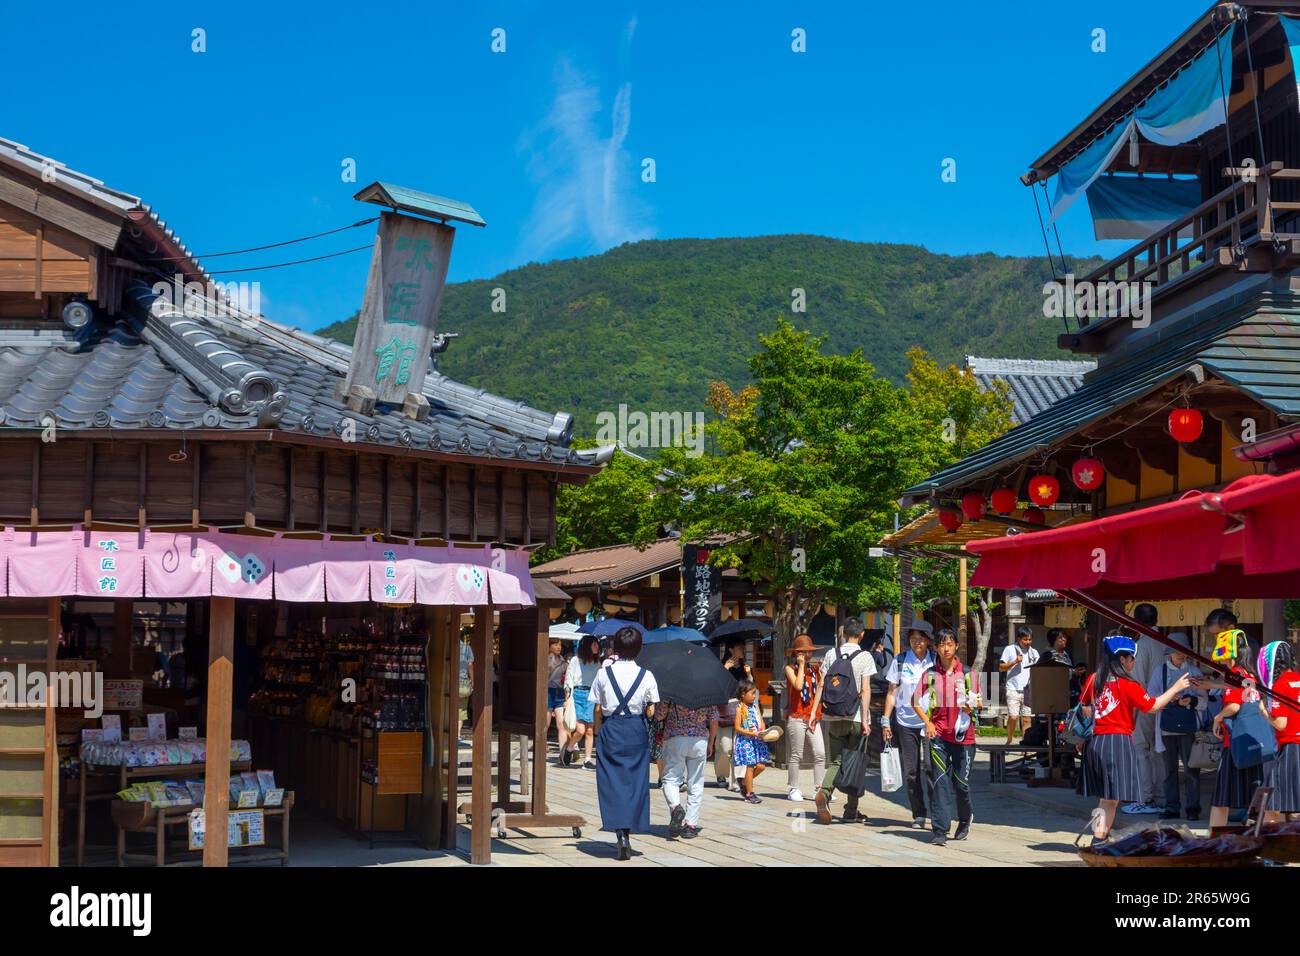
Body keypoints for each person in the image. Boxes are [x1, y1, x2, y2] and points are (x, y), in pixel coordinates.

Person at [1078, 634, 1191, 841]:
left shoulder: (1093, 679)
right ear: (1122, 660)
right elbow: (1152, 706)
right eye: (1132, 658)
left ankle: (1098, 838)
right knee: (1111, 800)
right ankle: (1099, 840)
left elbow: (1084, 706)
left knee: (1104, 799)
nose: (1134, 662)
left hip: (1094, 742)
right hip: (1117, 741)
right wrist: (1175, 688)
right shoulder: (1127, 684)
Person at [590, 626, 660, 860]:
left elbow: (597, 707)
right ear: (639, 649)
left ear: (615, 648)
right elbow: (651, 710)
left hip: (611, 728)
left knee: (610, 779)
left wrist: (598, 732)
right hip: (635, 729)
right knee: (636, 781)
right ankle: (628, 831)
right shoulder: (646, 675)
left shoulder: (603, 673)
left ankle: (618, 830)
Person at [1198, 624, 1267, 830]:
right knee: (1252, 798)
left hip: (1234, 744)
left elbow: (1235, 705)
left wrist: (1218, 717)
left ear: (1232, 657)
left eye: (1224, 660)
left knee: (1221, 798)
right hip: (1253, 743)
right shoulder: (1250, 675)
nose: (1223, 664)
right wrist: (1213, 686)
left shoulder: (1237, 674)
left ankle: (1214, 841)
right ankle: (1256, 839)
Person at [915, 626, 979, 846]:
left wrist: (973, 706)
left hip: (964, 738)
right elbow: (914, 701)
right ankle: (940, 830)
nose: (946, 648)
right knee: (940, 783)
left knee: (961, 784)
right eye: (942, 644)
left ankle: (964, 819)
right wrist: (928, 722)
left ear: (956, 646)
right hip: (939, 737)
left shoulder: (969, 673)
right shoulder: (930, 674)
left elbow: (979, 703)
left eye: (949, 644)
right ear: (937, 647)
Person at [811, 616, 876, 824]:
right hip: (855, 716)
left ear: (843, 633)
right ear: (862, 634)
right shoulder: (865, 656)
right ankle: (851, 810)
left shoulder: (831, 653)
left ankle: (825, 791)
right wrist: (866, 719)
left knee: (837, 760)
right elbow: (865, 690)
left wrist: (814, 713)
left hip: (833, 715)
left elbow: (821, 685)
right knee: (855, 763)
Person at [1145, 633, 1206, 821]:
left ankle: (1193, 807)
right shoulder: (1159, 671)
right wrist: (1172, 698)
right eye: (1177, 650)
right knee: (1170, 769)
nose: (1181, 654)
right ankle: (1172, 806)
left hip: (1189, 726)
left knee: (1192, 768)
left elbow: (1204, 702)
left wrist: (1191, 700)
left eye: (1183, 651)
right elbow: (1151, 699)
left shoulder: (1194, 671)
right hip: (1166, 727)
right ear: (1169, 652)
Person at [882, 621, 936, 829]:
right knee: (911, 772)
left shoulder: (935, 660)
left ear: (928, 640)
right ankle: (919, 813)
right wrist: (886, 721)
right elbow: (891, 692)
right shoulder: (900, 661)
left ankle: (936, 811)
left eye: (920, 638)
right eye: (913, 638)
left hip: (929, 722)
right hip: (905, 722)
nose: (917, 642)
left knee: (932, 768)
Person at [1126, 603, 1164, 815]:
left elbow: (1137, 680)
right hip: (1169, 702)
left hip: (1147, 702)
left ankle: (1145, 797)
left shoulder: (1142, 644)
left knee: (1141, 749)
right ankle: (1161, 795)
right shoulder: (1164, 641)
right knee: (1160, 751)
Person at [660, 700, 718, 839]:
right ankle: (690, 825)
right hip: (699, 739)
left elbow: (659, 715)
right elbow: (714, 720)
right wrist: (711, 743)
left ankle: (675, 808)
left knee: (670, 778)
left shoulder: (672, 691)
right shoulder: (707, 694)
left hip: (676, 738)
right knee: (696, 782)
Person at [783, 634, 826, 802]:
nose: (808, 655)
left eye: (809, 652)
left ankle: (819, 789)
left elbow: (821, 689)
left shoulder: (815, 670)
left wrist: (822, 671)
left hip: (812, 716)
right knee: (796, 755)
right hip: (796, 716)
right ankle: (793, 788)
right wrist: (801, 666)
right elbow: (799, 686)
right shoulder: (790, 669)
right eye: (804, 652)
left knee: (820, 753)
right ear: (797, 653)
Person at [1262, 641, 1300, 821]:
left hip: (1290, 748)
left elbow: (1281, 724)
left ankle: (1279, 843)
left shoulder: (1279, 686)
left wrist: (1264, 712)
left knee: (1276, 802)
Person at [562, 635, 602, 769]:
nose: (597, 647)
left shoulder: (597, 663)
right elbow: (569, 679)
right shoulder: (575, 660)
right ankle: (568, 749)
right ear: (587, 646)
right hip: (577, 694)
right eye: (594, 644)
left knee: (590, 730)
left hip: (591, 696)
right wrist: (567, 699)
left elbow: (599, 682)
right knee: (580, 730)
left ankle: (587, 760)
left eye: (597, 644)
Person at [999, 626, 1039, 744]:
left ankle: (1025, 742)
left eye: (1030, 640)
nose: (1027, 642)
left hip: (1028, 689)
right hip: (1013, 688)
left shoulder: (1034, 653)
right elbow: (1001, 668)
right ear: (1018, 638)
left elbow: (1038, 670)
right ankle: (1009, 738)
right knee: (1013, 716)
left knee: (1027, 719)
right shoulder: (1009, 649)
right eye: (1025, 640)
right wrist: (1015, 661)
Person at [732, 680, 770, 803]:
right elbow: (737, 727)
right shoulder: (739, 708)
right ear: (743, 694)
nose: (754, 696)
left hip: (758, 739)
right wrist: (751, 733)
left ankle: (743, 782)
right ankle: (749, 793)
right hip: (746, 740)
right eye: (752, 693)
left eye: (755, 693)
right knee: (750, 766)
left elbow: (761, 720)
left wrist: (763, 731)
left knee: (761, 766)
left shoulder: (755, 706)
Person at [545, 638, 570, 759]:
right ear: (549, 646)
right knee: (546, 723)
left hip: (559, 692)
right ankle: (541, 745)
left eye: (560, 645)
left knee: (561, 724)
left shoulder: (563, 660)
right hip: (547, 691)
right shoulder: (544, 659)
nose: (558, 647)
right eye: (555, 644)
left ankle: (562, 753)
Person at [714, 695, 738, 790]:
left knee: (738, 749)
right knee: (724, 748)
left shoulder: (746, 679)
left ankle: (736, 781)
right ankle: (721, 774)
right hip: (722, 710)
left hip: (741, 709)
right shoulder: (718, 680)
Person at [457, 628, 475, 743]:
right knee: (461, 709)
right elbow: (470, 666)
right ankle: (457, 734)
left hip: (450, 681)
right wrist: (472, 681)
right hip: (463, 681)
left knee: (449, 706)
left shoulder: (451, 646)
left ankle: (451, 732)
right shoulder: (467, 648)